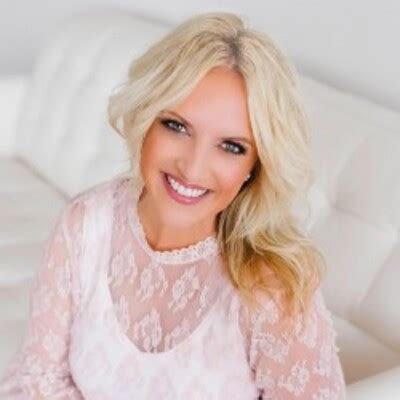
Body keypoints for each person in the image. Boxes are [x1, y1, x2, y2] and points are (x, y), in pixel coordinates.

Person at [0, 11, 346, 399]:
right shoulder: (85, 224)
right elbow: (39, 377)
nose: (192, 168)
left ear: (256, 165)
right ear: (146, 117)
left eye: (231, 147)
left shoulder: (272, 289)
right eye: (177, 126)